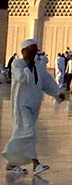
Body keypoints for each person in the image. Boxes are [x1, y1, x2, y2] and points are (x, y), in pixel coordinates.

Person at [4, 38, 65, 176]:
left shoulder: (38, 66)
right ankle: (36, 164)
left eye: (35, 52)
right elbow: (21, 78)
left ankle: (11, 163)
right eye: (30, 52)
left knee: (21, 133)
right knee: (29, 131)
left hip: (34, 105)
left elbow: (47, 82)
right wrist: (28, 68)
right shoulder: (17, 64)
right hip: (21, 105)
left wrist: (57, 93)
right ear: (23, 51)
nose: (32, 55)